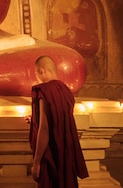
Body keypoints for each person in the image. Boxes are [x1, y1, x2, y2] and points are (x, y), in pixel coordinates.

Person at [28, 55, 88, 187]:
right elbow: (58, 117)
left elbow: (45, 128)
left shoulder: (45, 90)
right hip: (66, 152)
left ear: (42, 70)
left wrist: (36, 162)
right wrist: (34, 120)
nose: (36, 77)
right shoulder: (66, 90)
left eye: (36, 72)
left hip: (51, 154)